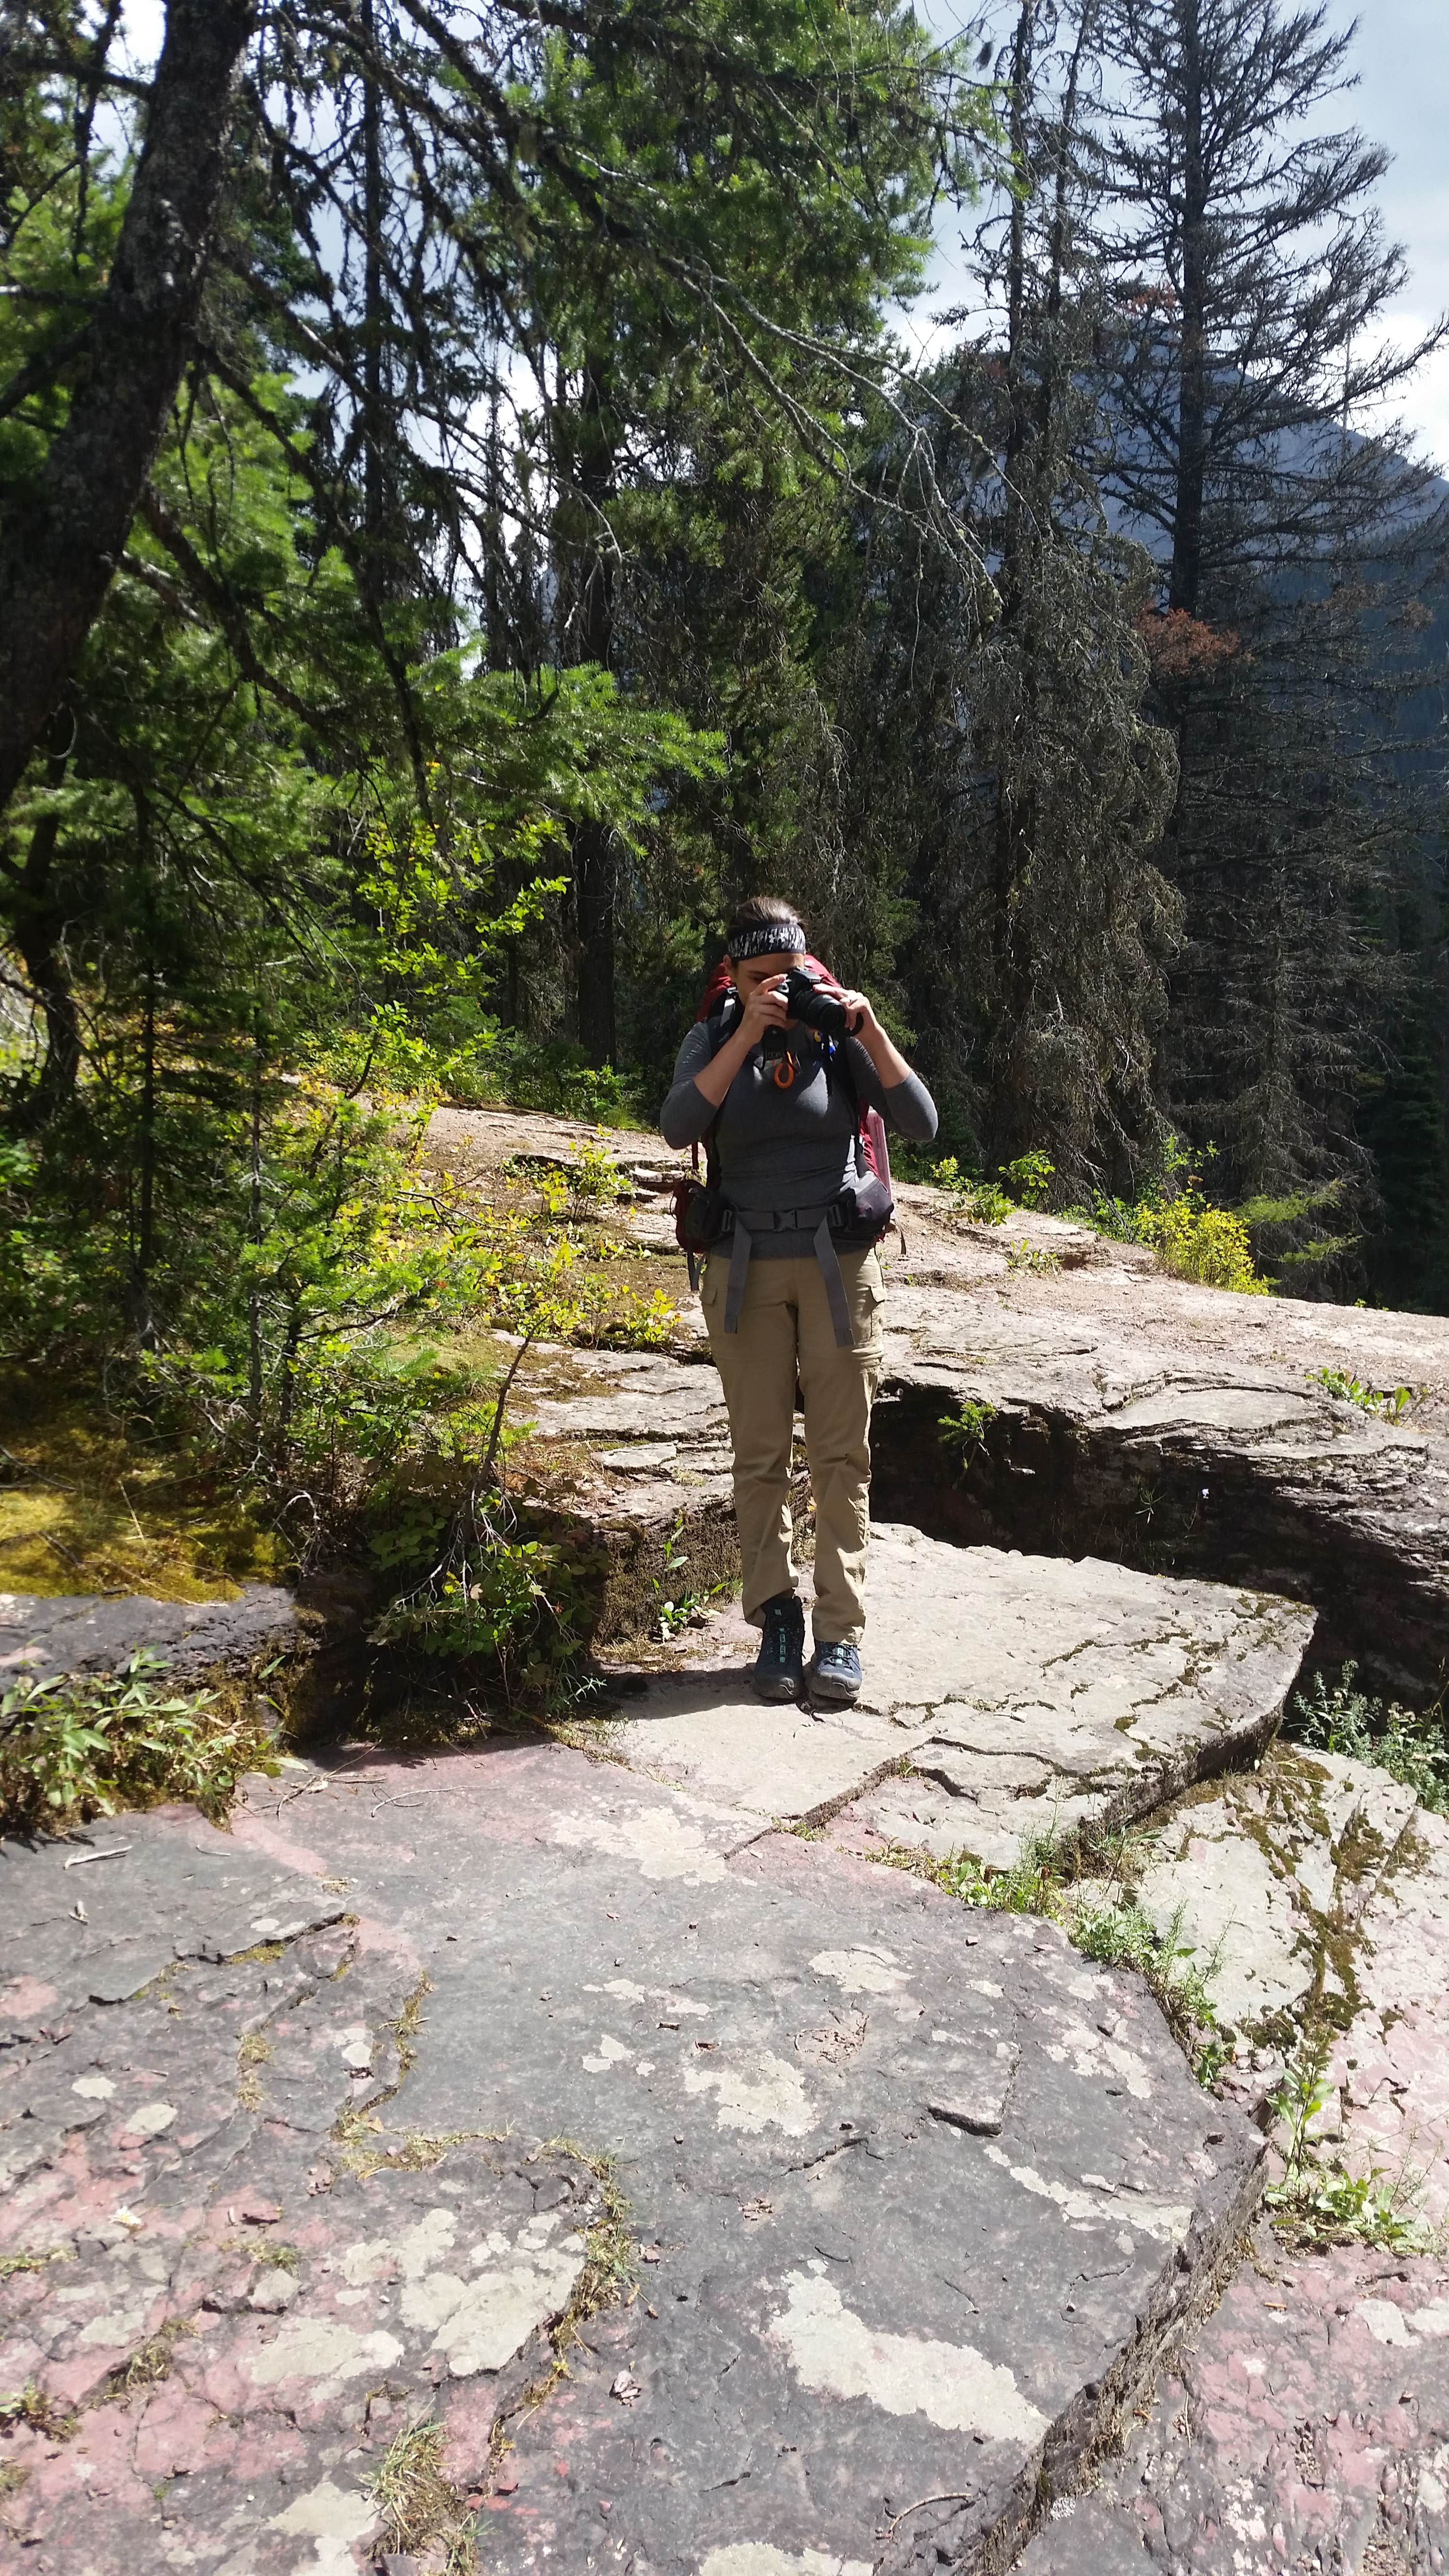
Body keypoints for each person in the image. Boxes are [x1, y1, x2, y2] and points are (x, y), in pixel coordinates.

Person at [660, 894, 937, 1706]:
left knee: (842, 1457)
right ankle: (776, 1618)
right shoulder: (714, 1034)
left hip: (837, 1269)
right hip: (743, 1269)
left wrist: (869, 1030)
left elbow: (920, 1122)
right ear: (733, 975)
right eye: (760, 978)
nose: (779, 990)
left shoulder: (836, 1035)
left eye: (790, 973)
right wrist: (745, 1033)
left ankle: (840, 1632)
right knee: (761, 1457)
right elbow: (679, 1126)